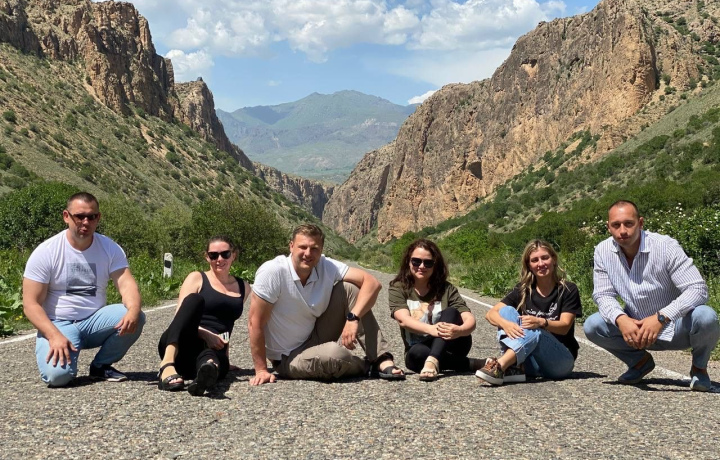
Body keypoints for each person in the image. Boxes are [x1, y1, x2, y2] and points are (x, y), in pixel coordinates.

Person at [584, 200, 719, 391]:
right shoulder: (602, 251)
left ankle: (699, 368)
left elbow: (697, 289)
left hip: (675, 326)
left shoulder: (665, 246)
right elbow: (603, 294)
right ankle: (640, 362)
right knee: (593, 325)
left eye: (628, 223)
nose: (622, 231)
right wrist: (621, 319)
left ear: (640, 223)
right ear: (608, 227)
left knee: (706, 317)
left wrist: (661, 317)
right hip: (635, 331)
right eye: (616, 225)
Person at [248, 224, 404, 385]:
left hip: (315, 335)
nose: (308, 253)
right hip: (288, 357)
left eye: (314, 249)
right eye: (303, 247)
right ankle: (366, 366)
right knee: (334, 355)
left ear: (321, 250)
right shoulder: (273, 272)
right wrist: (261, 370)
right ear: (291, 246)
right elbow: (255, 322)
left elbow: (372, 283)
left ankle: (381, 358)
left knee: (349, 289)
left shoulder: (325, 265)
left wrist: (353, 318)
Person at [22, 192, 145, 387]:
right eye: (79, 216)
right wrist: (53, 335)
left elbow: (126, 284)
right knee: (58, 378)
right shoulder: (46, 252)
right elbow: (30, 304)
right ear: (66, 216)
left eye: (91, 216)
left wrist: (133, 309)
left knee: (136, 315)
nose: (86, 222)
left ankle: (101, 366)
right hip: (59, 324)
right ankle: (63, 354)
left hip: (94, 321)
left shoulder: (110, 248)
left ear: (98, 218)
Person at [476, 240, 582, 386]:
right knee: (506, 311)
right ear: (529, 265)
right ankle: (514, 367)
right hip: (530, 362)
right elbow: (490, 314)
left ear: (553, 259)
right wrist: (506, 324)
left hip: (559, 362)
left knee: (536, 330)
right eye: (535, 260)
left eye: (545, 258)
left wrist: (541, 322)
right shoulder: (523, 289)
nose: (541, 263)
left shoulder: (568, 289)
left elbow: (564, 326)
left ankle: (501, 365)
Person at [157, 236, 250, 396]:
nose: (219, 259)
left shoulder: (244, 287)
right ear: (207, 257)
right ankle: (166, 365)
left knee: (212, 358)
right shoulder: (197, 278)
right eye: (213, 255)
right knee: (194, 300)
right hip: (182, 344)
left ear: (233, 255)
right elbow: (180, 317)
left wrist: (225, 356)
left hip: (212, 350)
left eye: (225, 254)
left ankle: (206, 373)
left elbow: (227, 324)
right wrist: (205, 334)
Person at [388, 239, 484, 381]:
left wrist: (460, 330)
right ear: (408, 262)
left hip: (452, 344)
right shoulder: (398, 288)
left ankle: (432, 361)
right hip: (419, 348)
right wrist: (431, 329)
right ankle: (471, 363)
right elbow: (403, 320)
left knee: (451, 312)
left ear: (435, 265)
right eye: (416, 261)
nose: (421, 266)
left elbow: (469, 319)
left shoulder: (447, 289)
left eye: (428, 263)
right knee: (417, 354)